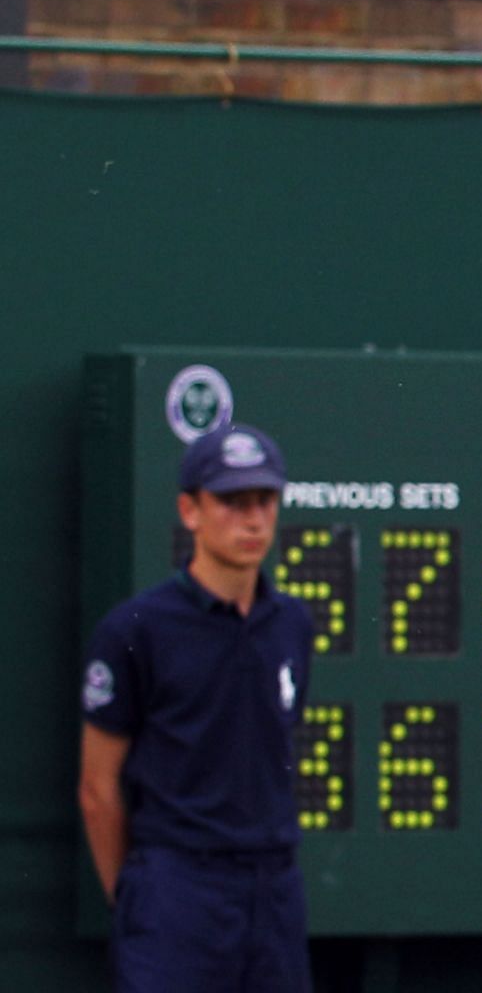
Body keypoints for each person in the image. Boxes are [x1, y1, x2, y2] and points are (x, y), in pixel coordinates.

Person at [78, 424, 315, 993]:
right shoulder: (136, 629)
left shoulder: (294, 625)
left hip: (273, 891)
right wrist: (139, 894)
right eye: (232, 503)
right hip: (177, 887)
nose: (253, 520)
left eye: (264, 501)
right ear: (191, 511)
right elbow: (98, 787)